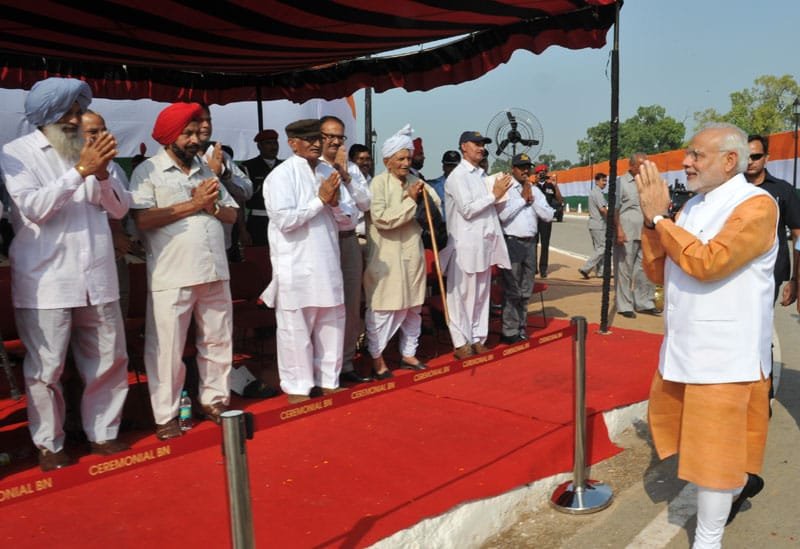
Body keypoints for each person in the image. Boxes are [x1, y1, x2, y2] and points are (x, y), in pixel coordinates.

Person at [639, 124, 777, 549]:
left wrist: (661, 219)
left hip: (726, 356)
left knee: (714, 457)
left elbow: (709, 262)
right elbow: (658, 270)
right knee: (696, 446)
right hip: (685, 348)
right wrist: (651, 222)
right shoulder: (693, 207)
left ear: (730, 161)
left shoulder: (757, 205)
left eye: (697, 155)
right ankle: (738, 485)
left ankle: (708, 539)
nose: (686, 163)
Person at [0, 77, 132, 470]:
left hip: (98, 277)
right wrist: (79, 171)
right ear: (47, 116)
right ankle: (50, 444)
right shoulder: (16, 153)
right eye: (70, 112)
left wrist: (102, 174)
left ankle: (103, 434)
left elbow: (120, 209)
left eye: (79, 110)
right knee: (46, 369)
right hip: (47, 280)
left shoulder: (91, 149)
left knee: (108, 359)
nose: (77, 119)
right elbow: (35, 209)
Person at [129, 102, 239, 440]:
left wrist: (212, 205)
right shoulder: (147, 171)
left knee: (218, 340)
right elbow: (142, 219)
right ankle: (166, 416)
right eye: (187, 134)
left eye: (196, 133)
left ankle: (215, 401)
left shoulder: (206, 171)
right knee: (167, 350)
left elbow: (232, 214)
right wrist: (194, 204)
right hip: (172, 274)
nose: (195, 140)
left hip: (214, 269)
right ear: (168, 137)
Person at [262, 119, 354, 402]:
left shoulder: (329, 172)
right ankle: (298, 387)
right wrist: (320, 201)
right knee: (295, 329)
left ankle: (329, 380)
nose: (316, 144)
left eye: (318, 139)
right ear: (293, 144)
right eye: (309, 139)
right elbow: (285, 220)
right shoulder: (280, 176)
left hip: (327, 262)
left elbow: (349, 220)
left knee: (332, 324)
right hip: (296, 265)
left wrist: (335, 203)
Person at [363, 125, 431, 378]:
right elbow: (382, 219)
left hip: (412, 253)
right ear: (386, 161)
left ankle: (409, 353)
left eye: (408, 158)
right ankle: (377, 358)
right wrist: (410, 201)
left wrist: (423, 200)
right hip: (386, 257)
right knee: (383, 308)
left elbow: (434, 210)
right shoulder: (378, 184)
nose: (405, 163)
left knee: (413, 307)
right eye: (400, 159)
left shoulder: (416, 182)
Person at [443, 131, 511, 359]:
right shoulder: (458, 176)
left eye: (483, 144)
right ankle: (461, 341)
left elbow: (491, 208)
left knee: (481, 294)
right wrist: (494, 195)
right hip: (464, 245)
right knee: (461, 295)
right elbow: (467, 209)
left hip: (484, 243)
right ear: (464, 146)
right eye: (477, 144)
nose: (481, 148)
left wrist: (501, 195)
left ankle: (478, 338)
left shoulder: (483, 176)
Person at [318, 115, 372, 384]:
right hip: (323, 241)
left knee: (351, 303)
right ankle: (324, 365)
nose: (335, 142)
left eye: (340, 137)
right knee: (326, 304)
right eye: (330, 136)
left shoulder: (351, 168)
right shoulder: (313, 167)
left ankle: (346, 362)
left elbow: (366, 203)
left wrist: (346, 175)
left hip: (350, 240)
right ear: (319, 138)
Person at [496, 153, 554, 343]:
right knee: (512, 289)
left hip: (530, 243)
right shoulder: (506, 188)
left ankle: (521, 327)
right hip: (512, 242)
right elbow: (503, 216)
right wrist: (522, 200)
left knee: (526, 289)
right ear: (513, 169)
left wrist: (532, 198)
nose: (525, 171)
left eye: (527, 167)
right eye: (521, 167)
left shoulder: (535, 190)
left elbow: (548, 215)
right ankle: (509, 331)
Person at [745, 134, 800, 304]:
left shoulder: (784, 190)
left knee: (760, 319)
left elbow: (798, 235)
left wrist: (795, 279)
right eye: (746, 156)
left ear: (766, 158)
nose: (750, 161)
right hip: (735, 271)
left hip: (770, 273)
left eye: (756, 156)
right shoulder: (730, 189)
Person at [197, 104, 253, 261]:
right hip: (190, 243)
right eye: (199, 120)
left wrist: (225, 174)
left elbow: (246, 192)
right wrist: (212, 174)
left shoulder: (221, 156)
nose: (206, 125)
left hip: (222, 241)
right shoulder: (175, 159)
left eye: (209, 120)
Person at [615, 153, 657, 318]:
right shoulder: (621, 183)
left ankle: (644, 302)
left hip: (646, 231)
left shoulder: (648, 182)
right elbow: (615, 209)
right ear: (631, 166)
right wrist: (619, 230)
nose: (644, 168)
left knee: (644, 268)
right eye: (641, 165)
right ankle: (624, 305)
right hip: (627, 231)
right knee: (625, 269)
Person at [242, 129, 282, 246]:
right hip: (258, 221)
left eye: (275, 143)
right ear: (259, 146)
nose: (273, 147)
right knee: (260, 254)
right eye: (268, 143)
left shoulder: (284, 166)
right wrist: (242, 229)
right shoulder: (248, 167)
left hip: (281, 220)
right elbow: (240, 201)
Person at [534, 165, 563, 277]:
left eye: (544, 172)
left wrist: (556, 186)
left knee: (545, 244)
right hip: (534, 219)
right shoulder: (532, 186)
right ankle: (533, 267)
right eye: (540, 173)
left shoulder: (550, 186)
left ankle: (543, 269)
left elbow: (560, 200)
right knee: (533, 244)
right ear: (536, 174)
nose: (542, 174)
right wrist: (534, 183)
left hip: (546, 220)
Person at [579, 172, 609, 279]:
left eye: (606, 181)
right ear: (596, 181)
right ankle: (586, 268)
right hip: (599, 224)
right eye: (603, 180)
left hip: (594, 224)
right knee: (603, 248)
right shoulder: (598, 193)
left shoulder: (594, 192)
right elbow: (603, 209)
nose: (605, 183)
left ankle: (601, 272)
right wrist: (612, 218)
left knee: (598, 249)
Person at [428, 150, 460, 216]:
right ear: (443, 167)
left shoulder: (467, 185)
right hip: (442, 222)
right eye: (449, 166)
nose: (452, 169)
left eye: (455, 166)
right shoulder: (433, 186)